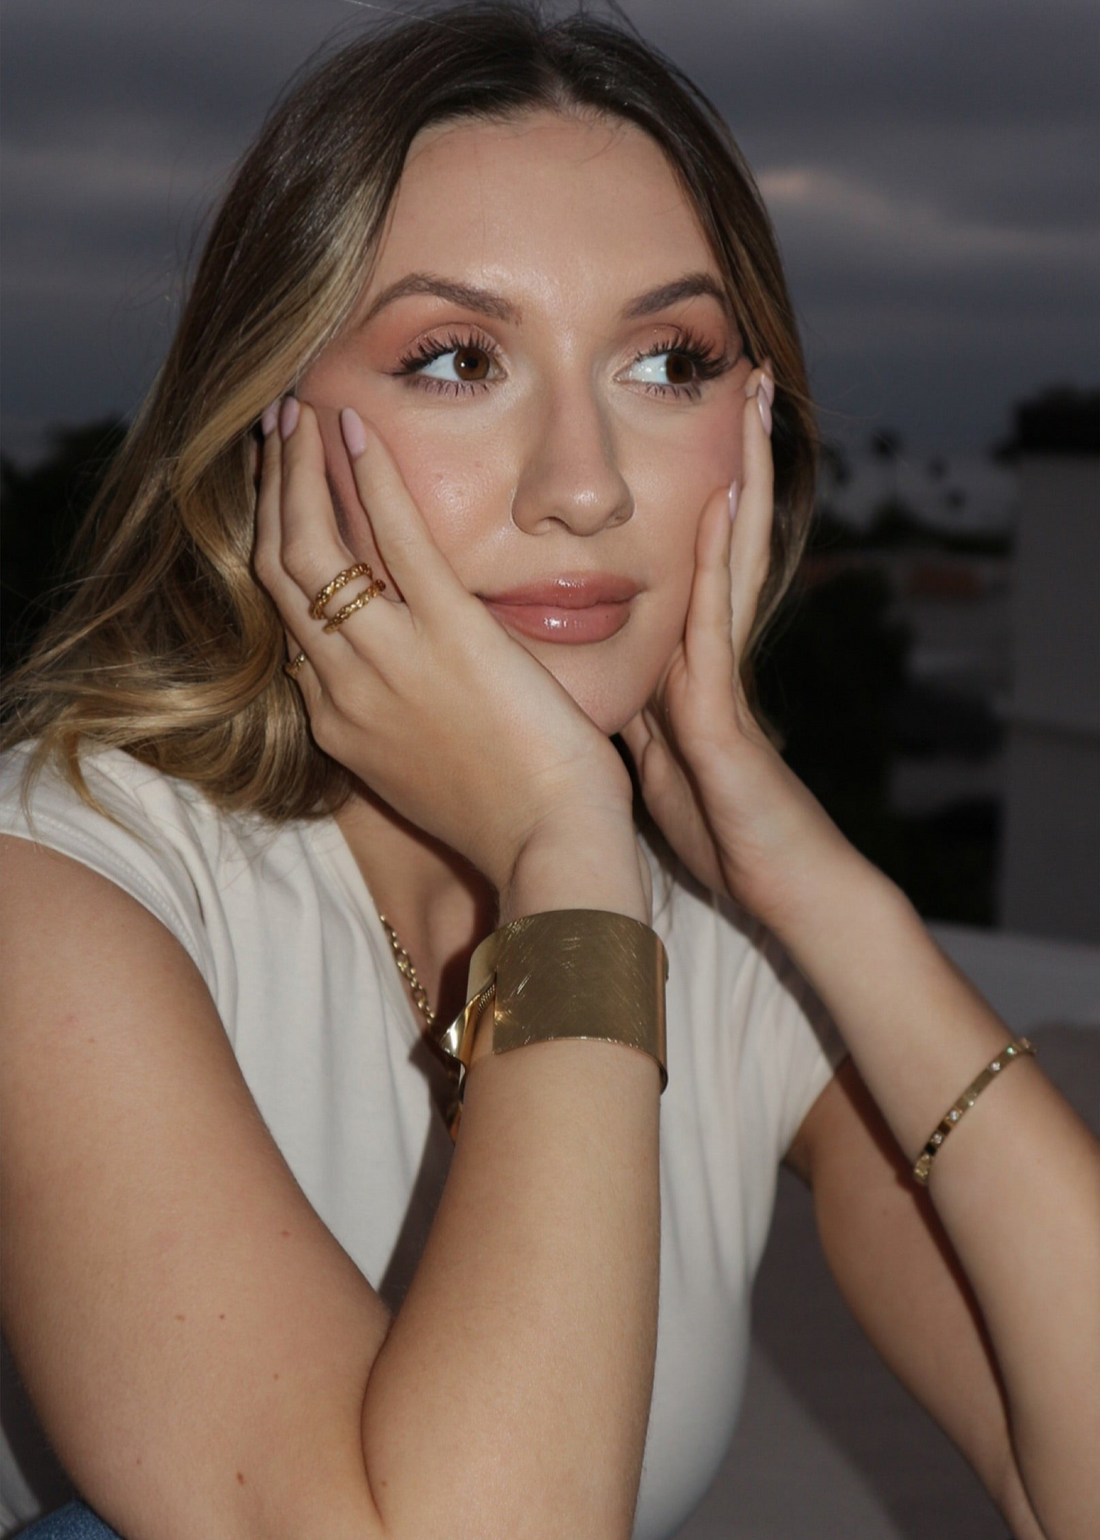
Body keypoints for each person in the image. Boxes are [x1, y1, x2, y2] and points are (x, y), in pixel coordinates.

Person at [1, 5, 1096, 1538]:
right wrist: (563, 850)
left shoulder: (730, 938)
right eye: (456, 357)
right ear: (271, 429)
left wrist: (821, 889)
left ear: (755, 425)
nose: (582, 484)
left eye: (666, 360)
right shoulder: (63, 887)